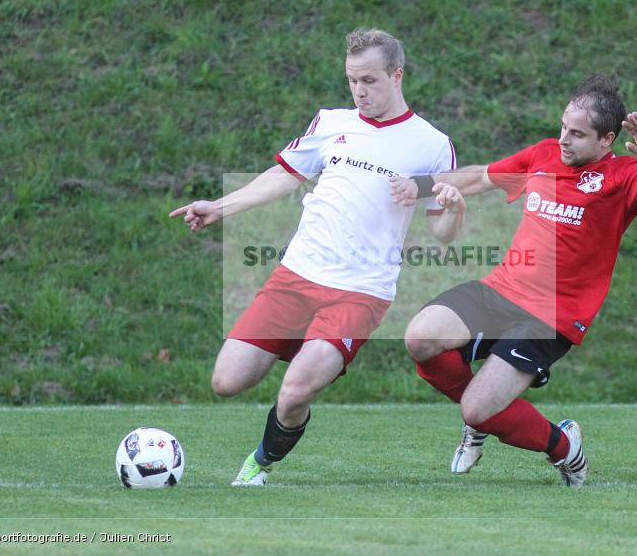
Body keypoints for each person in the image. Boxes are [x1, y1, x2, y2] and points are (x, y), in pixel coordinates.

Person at [170, 29, 465, 486]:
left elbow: (442, 234)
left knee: (293, 394)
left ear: (397, 75)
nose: (359, 91)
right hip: (296, 276)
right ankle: (296, 369)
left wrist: (453, 209)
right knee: (226, 381)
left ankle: (259, 463)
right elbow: (283, 176)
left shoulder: (431, 144)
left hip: (360, 293)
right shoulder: (331, 122)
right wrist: (220, 207)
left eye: (369, 80)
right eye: (352, 80)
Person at [390, 74, 637, 487]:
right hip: (500, 290)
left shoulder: (625, 176)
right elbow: (480, 177)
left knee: (476, 409)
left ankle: (564, 446)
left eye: (577, 134)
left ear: (607, 140)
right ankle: (485, 417)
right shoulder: (543, 154)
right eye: (563, 127)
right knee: (420, 338)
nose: (564, 139)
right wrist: (420, 186)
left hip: (551, 317)